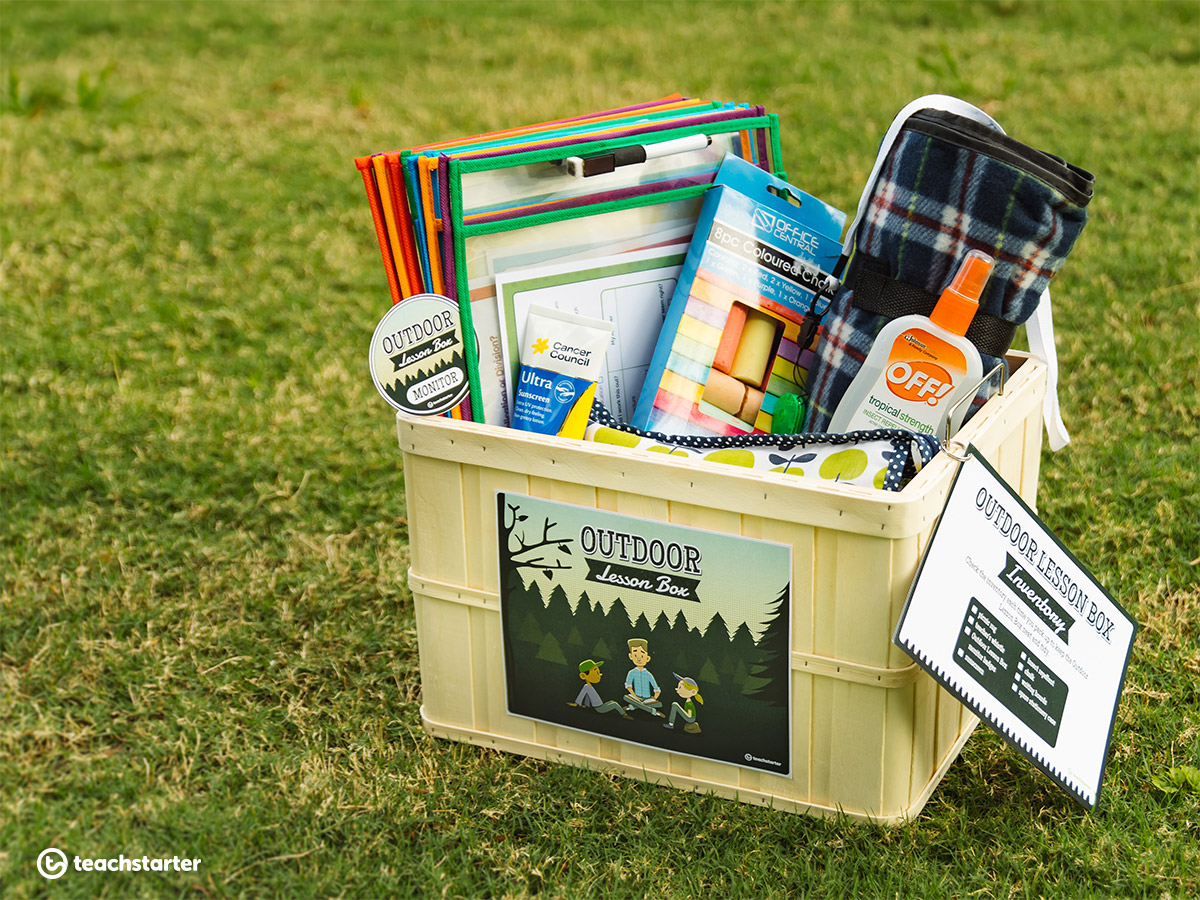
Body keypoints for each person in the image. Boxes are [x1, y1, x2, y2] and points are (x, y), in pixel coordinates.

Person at [566, 659, 630, 717]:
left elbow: (587, 695)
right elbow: (582, 694)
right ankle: (624, 714)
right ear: (583, 676)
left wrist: (586, 705)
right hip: (599, 708)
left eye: (598, 672)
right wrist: (577, 703)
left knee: (612, 702)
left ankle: (622, 710)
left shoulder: (588, 686)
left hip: (599, 706)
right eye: (596, 673)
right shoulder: (587, 686)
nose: (599, 675)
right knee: (614, 704)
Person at [623, 638, 662, 717]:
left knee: (658, 703)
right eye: (635, 655)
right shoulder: (631, 673)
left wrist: (654, 698)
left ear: (647, 658)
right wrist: (635, 696)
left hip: (647, 699)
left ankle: (633, 707)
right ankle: (653, 711)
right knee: (626, 697)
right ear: (631, 656)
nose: (639, 658)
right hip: (636, 697)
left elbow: (656, 689)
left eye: (642, 655)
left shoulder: (648, 674)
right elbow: (628, 686)